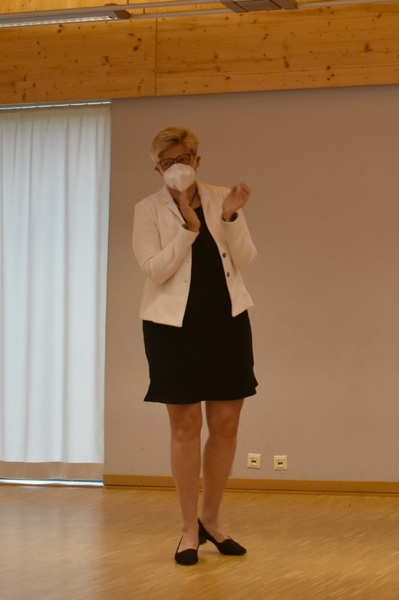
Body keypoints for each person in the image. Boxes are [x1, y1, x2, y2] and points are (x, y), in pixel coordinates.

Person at [132, 127, 258, 566]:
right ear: (157, 169)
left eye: (183, 158)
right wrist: (188, 228)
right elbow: (155, 270)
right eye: (167, 162)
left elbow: (247, 260)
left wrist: (230, 218)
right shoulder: (147, 209)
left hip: (227, 323)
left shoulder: (223, 197)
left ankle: (212, 521)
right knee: (185, 428)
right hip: (172, 330)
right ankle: (188, 530)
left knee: (226, 426)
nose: (177, 167)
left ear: (197, 160)